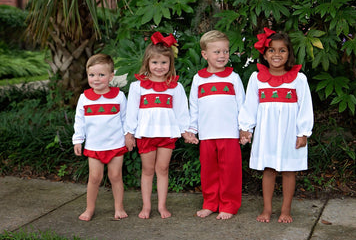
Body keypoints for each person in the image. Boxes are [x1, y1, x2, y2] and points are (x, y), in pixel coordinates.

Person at [239, 28, 313, 223]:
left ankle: (286, 210)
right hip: (267, 132)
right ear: (264, 54)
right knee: (268, 169)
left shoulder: (299, 79)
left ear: (289, 53)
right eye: (271, 50)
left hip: (289, 132)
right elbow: (250, 105)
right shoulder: (257, 78)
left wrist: (303, 132)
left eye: (282, 50)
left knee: (289, 170)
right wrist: (246, 128)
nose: (276, 54)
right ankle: (267, 209)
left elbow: (305, 106)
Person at [124, 32, 191, 219]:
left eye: (164, 63)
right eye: (155, 63)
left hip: (167, 133)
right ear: (147, 63)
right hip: (146, 134)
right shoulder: (138, 87)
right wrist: (129, 133)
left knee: (162, 169)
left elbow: (181, 112)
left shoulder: (175, 87)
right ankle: (146, 206)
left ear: (170, 64)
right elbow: (131, 113)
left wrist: (186, 131)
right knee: (147, 170)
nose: (159, 67)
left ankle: (162, 206)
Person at [186, 30, 245, 220]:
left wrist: (245, 129)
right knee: (209, 171)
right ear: (204, 54)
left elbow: (243, 107)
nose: (222, 56)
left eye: (225, 51)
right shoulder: (198, 79)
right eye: (217, 52)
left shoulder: (233, 77)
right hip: (207, 134)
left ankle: (229, 205)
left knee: (230, 171)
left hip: (229, 134)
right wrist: (192, 130)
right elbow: (193, 107)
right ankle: (210, 203)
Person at [72, 53, 129, 221]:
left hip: (115, 144)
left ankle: (119, 208)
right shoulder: (84, 98)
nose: (96, 79)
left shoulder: (119, 96)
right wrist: (78, 140)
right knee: (95, 178)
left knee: (115, 176)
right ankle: (89, 209)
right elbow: (79, 121)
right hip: (94, 146)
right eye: (92, 75)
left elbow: (126, 119)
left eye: (101, 75)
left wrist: (128, 136)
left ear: (111, 76)